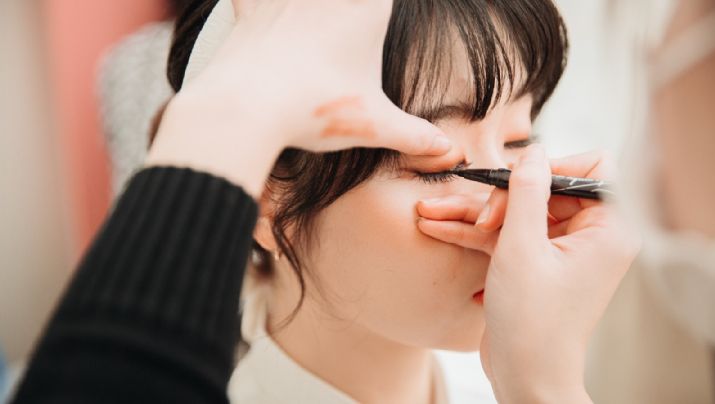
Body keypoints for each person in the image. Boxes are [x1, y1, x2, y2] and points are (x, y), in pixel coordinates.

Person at [10, 0, 639, 403]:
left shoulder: (513, 371)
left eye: (519, 141)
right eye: (434, 165)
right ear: (263, 192)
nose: (511, 216)